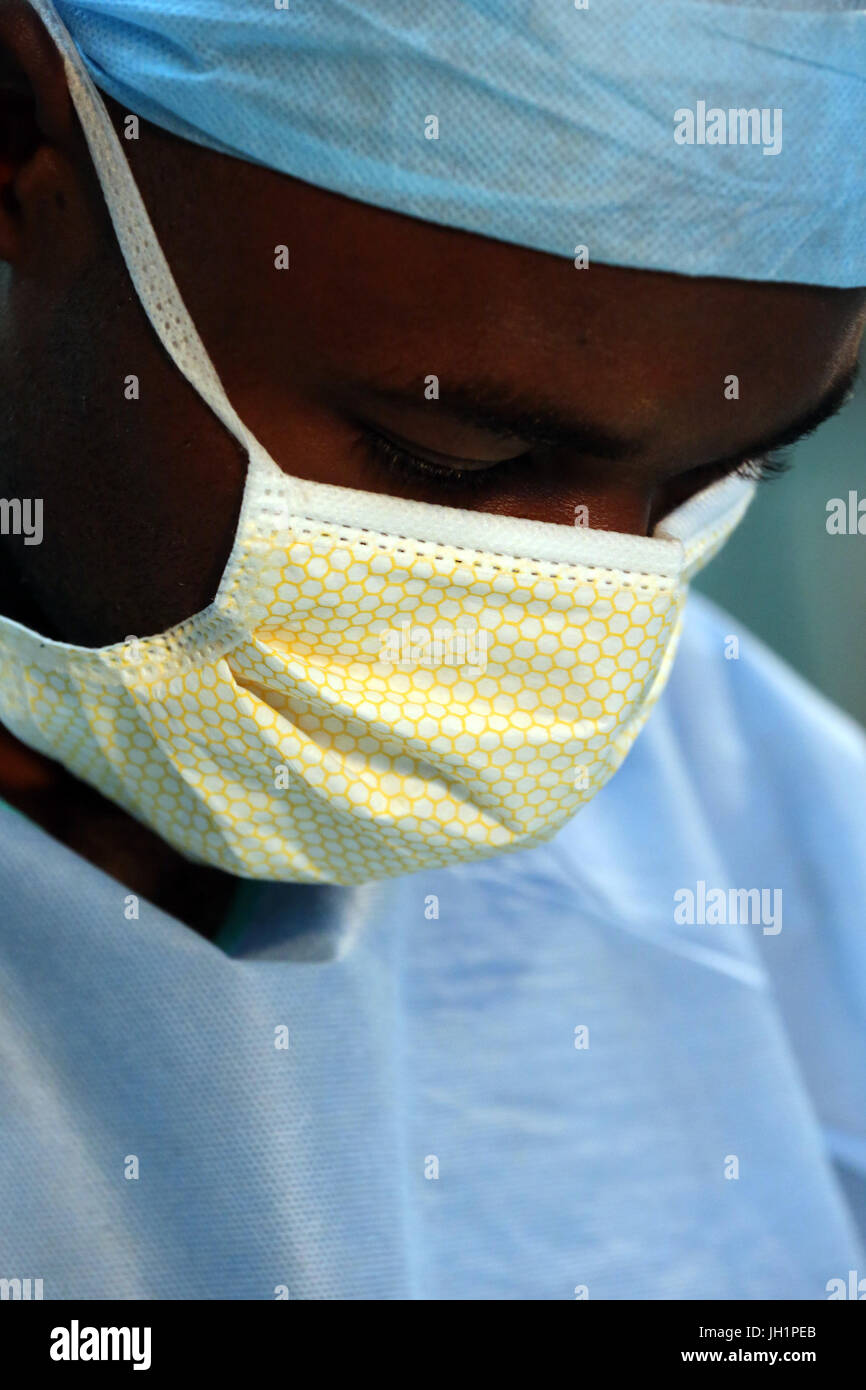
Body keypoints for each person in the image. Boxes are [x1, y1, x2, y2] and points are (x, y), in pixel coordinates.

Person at [0, 0, 863, 1299]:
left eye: (728, 467)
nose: (575, 610)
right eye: (449, 459)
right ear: (22, 142)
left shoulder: (770, 843)